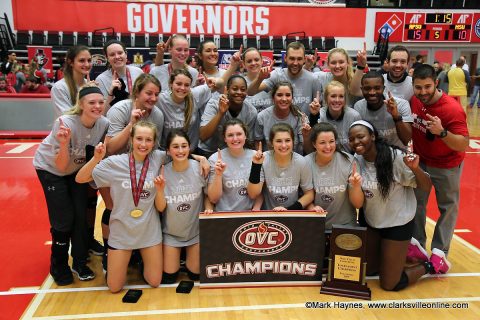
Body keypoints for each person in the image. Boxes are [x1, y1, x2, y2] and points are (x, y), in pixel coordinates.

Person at [348, 120, 438, 292]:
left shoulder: (395, 157)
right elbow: (358, 202)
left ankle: (430, 265)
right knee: (370, 271)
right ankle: (401, 253)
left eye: (361, 137)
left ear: (372, 136)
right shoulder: (356, 160)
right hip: (372, 222)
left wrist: (415, 169)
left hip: (398, 223)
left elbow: (426, 186)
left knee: (390, 284)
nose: (356, 142)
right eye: (352, 139)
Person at [33, 84, 109, 285]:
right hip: (51, 170)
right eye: (91, 102)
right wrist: (65, 143)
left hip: (76, 172)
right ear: (81, 104)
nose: (97, 106)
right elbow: (60, 164)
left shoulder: (103, 124)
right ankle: (58, 264)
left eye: (100, 102)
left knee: (81, 215)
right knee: (64, 219)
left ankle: (79, 261)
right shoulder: (65, 123)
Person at [76, 121, 165, 292]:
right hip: (121, 231)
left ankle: (140, 261)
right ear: (131, 139)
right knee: (114, 287)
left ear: (154, 143)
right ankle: (130, 259)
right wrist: (96, 158)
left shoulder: (158, 158)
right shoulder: (114, 163)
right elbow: (80, 178)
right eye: (139, 138)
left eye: (148, 140)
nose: (144, 144)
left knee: (154, 281)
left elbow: (181, 153)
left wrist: (200, 159)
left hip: (149, 230)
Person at [409, 64, 469, 263]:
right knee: (416, 204)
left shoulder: (452, 109)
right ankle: (417, 244)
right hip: (422, 162)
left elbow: (463, 143)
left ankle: (439, 252)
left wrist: (442, 132)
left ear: (436, 83)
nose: (423, 92)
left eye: (427, 87)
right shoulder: (414, 101)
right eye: (418, 87)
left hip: (446, 166)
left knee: (447, 208)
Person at [157, 129, 213, 284]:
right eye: (175, 147)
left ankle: (187, 262)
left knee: (195, 276)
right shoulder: (162, 172)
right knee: (169, 278)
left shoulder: (200, 168)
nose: (180, 150)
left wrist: (209, 208)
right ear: (168, 150)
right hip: (171, 234)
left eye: (184, 146)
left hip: (195, 233)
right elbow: (160, 208)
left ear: (190, 148)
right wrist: (160, 190)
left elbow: (208, 195)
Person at [305, 122, 363, 229]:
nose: (328, 146)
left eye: (331, 141)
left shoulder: (349, 162)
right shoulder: (305, 163)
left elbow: (358, 204)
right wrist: (311, 207)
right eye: (322, 142)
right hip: (315, 224)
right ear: (314, 144)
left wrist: (356, 186)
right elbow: (303, 195)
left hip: (345, 225)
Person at [247, 123, 314, 211]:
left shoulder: (301, 161)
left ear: (293, 141)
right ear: (271, 143)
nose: (283, 145)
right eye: (279, 141)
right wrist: (256, 165)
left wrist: (288, 210)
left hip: (292, 213)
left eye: (287, 140)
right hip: (267, 215)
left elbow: (309, 194)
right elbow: (253, 194)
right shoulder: (263, 159)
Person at [157, 68, 223, 151]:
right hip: (167, 153)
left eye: (186, 85)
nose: (182, 88)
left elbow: (220, 84)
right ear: (171, 84)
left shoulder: (194, 95)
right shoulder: (160, 99)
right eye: (178, 84)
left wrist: (215, 80)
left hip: (191, 152)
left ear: (190, 86)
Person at [247, 41, 320, 114]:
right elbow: (250, 92)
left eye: (299, 59)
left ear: (304, 59)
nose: (295, 63)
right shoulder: (276, 75)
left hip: (304, 124)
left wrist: (316, 110)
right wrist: (260, 78)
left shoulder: (313, 79)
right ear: (285, 58)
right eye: (292, 58)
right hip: (280, 124)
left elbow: (317, 107)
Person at [207, 119, 261, 211]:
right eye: (230, 135)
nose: (235, 139)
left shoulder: (255, 156)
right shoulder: (215, 159)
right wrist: (218, 174)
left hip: (248, 214)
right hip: (224, 215)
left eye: (239, 134)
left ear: (245, 136)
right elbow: (213, 199)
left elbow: (256, 194)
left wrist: (256, 164)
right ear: (225, 138)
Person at [199, 74, 257, 157]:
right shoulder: (214, 104)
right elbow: (203, 136)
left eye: (243, 89)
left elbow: (248, 141)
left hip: (234, 151)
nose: (239, 92)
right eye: (235, 89)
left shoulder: (251, 112)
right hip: (209, 151)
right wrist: (221, 113)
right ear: (227, 89)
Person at [106, 73, 164, 155]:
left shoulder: (158, 115)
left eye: (156, 94)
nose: (154, 98)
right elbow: (110, 149)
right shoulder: (119, 110)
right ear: (137, 92)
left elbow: (153, 149)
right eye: (149, 93)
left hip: (142, 162)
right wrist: (131, 124)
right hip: (116, 162)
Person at [353, 71, 412, 148]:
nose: (372, 92)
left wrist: (396, 116)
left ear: (383, 88)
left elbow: (407, 140)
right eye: (367, 88)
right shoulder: (359, 107)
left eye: (377, 88)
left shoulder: (401, 104)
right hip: (373, 154)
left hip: (397, 154)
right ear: (362, 89)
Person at [308, 80, 361, 153]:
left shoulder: (354, 116)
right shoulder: (319, 114)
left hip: (349, 159)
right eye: (333, 96)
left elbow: (358, 144)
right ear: (326, 98)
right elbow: (313, 140)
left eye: (341, 96)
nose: (337, 100)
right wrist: (314, 116)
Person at [254, 81, 306, 154]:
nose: (284, 99)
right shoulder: (262, 117)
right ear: (273, 97)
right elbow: (258, 143)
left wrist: (306, 135)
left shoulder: (300, 117)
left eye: (288, 95)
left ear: (292, 98)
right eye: (279, 95)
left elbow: (305, 146)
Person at [95, 40, 143, 111]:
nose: (117, 57)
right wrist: (111, 93)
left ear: (126, 54)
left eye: (120, 53)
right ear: (107, 58)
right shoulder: (101, 79)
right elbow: (102, 113)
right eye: (112, 54)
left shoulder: (138, 72)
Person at [51, 45, 92, 118]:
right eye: (82, 60)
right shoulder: (59, 87)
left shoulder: (91, 85)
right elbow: (67, 117)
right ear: (71, 62)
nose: (87, 64)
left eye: (89, 60)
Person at [237, 47, 272, 113]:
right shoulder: (239, 83)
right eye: (249, 61)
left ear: (262, 61)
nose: (253, 63)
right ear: (243, 64)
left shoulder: (271, 79)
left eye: (256, 60)